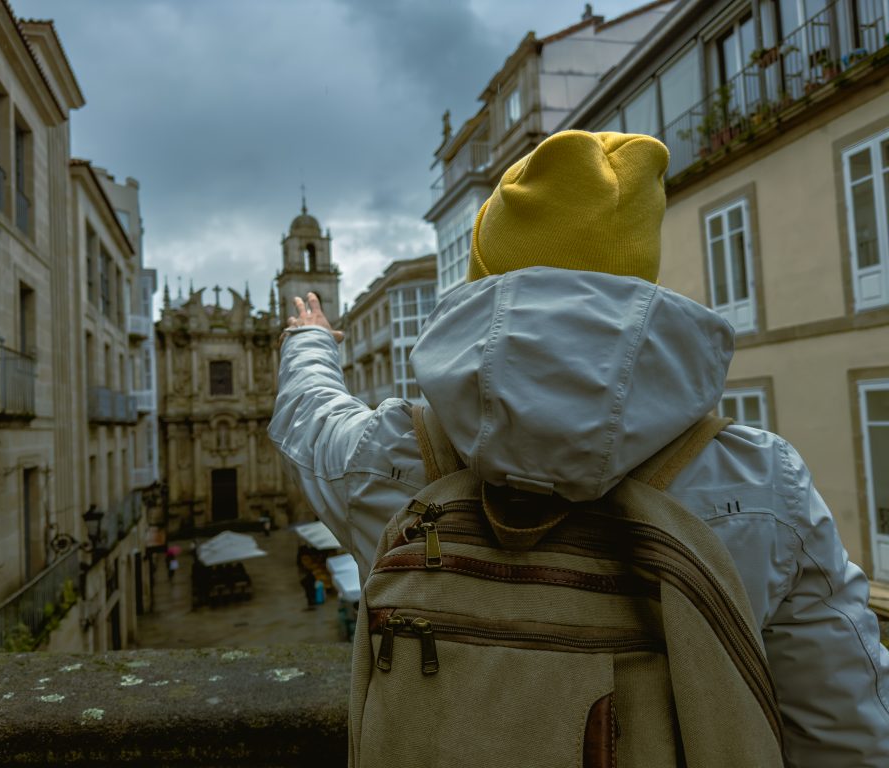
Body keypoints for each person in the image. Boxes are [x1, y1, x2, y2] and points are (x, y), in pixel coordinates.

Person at [268, 130, 889, 766]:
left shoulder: (399, 457)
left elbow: (311, 420)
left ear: (488, 284)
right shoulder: (761, 479)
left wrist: (309, 341)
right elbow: (843, 720)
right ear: (638, 279)